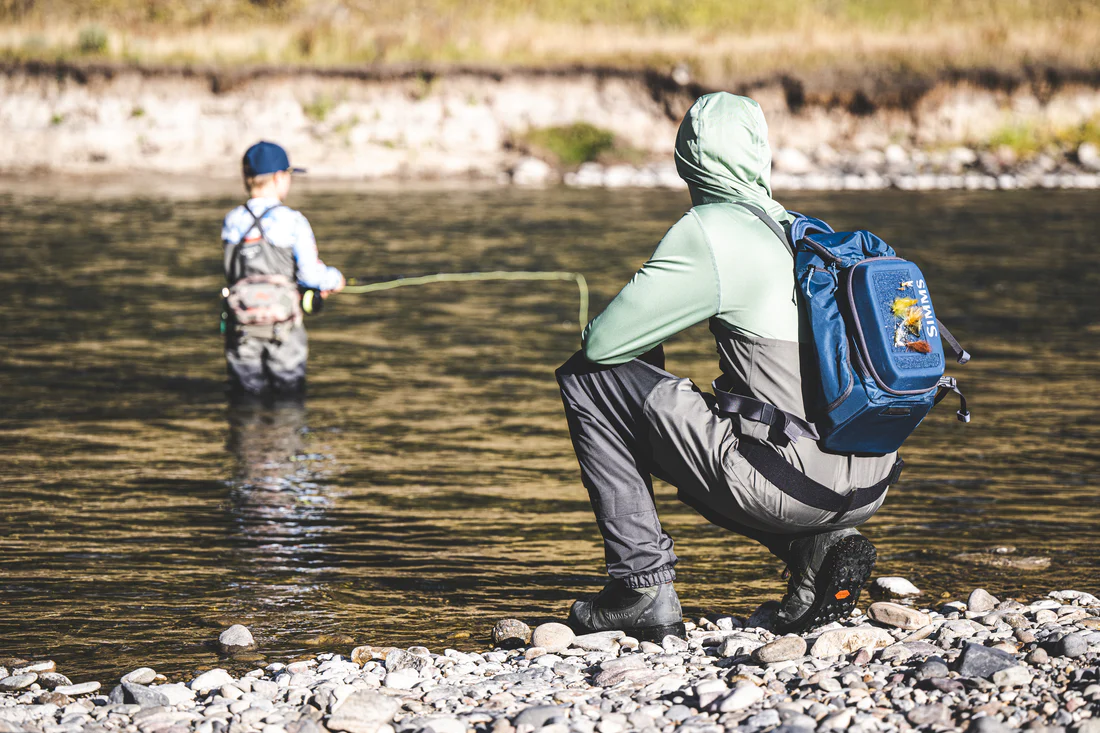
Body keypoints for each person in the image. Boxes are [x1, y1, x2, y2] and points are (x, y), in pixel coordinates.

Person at [555, 93, 900, 641]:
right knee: (724, 425)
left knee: (586, 380)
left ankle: (640, 587)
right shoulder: (807, 232)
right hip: (869, 482)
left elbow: (604, 346)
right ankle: (816, 549)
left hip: (790, 484)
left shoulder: (710, 228)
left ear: (685, 160)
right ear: (760, 155)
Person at [221, 141, 345, 396]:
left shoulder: (232, 220)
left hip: (241, 326)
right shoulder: (292, 221)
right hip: (284, 329)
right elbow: (311, 275)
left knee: (245, 399)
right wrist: (335, 280)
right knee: (288, 399)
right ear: (279, 178)